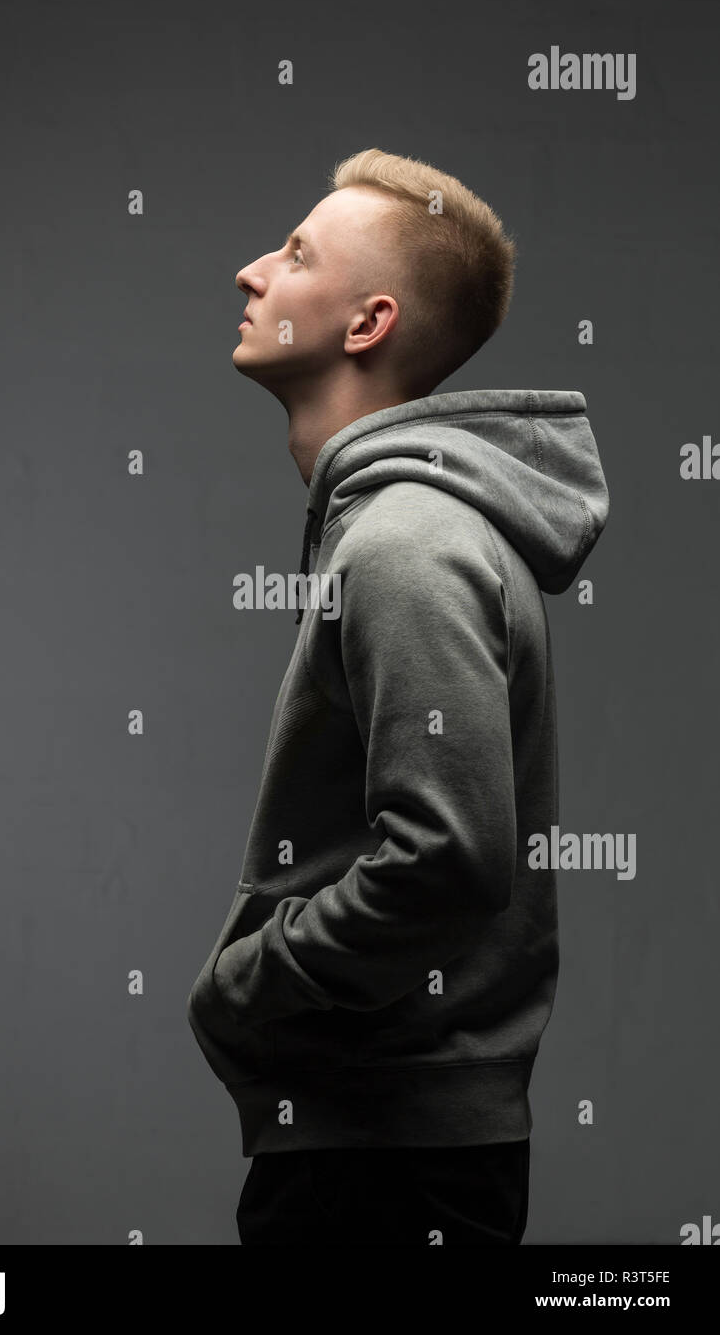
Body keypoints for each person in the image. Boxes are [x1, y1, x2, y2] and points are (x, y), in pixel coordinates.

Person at [187, 147, 610, 1245]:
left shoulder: (405, 546)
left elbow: (447, 858)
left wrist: (246, 986)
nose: (249, 271)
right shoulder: (395, 531)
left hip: (382, 1171)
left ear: (366, 324)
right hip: (383, 1149)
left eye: (291, 254)